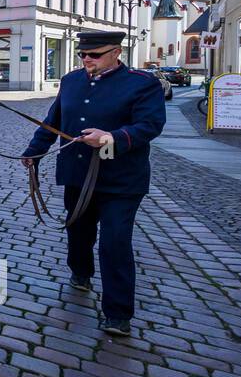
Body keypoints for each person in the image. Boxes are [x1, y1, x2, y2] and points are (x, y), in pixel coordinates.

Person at [21, 30, 165, 337]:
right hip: (77, 172)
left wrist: (111, 138)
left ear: (116, 52)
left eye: (94, 55)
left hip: (121, 180)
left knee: (114, 242)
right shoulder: (71, 81)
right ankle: (81, 272)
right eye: (82, 54)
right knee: (79, 231)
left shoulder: (142, 84)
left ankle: (118, 314)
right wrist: (35, 151)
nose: (87, 59)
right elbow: (54, 121)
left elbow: (150, 125)